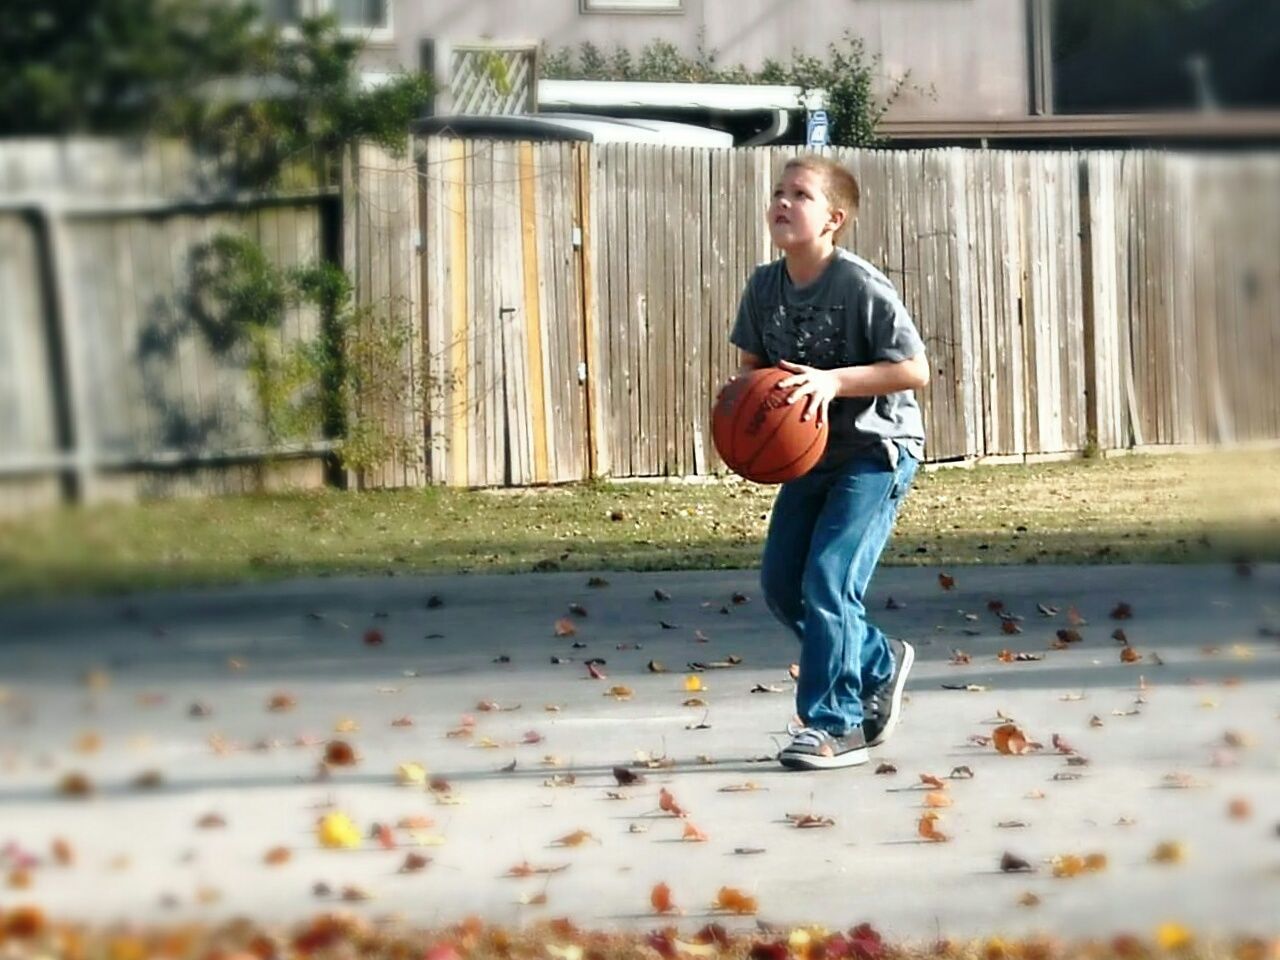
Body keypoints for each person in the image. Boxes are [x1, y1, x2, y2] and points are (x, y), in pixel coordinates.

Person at [729, 155, 930, 770]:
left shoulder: (860, 285)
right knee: (782, 585)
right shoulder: (764, 286)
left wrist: (831, 382)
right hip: (811, 457)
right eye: (778, 192)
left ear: (834, 219)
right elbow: (754, 371)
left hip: (876, 450)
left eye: (801, 195)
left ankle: (835, 724)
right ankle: (878, 661)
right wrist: (739, 400)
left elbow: (913, 370)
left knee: (828, 579)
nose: (783, 203)